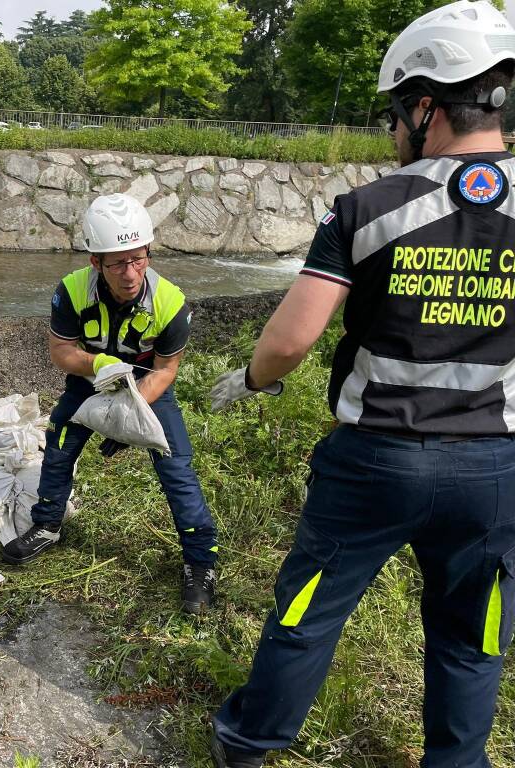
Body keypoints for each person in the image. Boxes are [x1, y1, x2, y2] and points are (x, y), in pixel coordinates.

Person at [207, 2, 515, 765]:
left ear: (426, 105)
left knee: (310, 611)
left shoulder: (368, 210)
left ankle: (250, 745)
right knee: (473, 634)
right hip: (493, 468)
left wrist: (251, 380)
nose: (392, 132)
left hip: (377, 462)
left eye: (394, 114)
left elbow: (290, 342)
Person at [1, 192, 220, 614]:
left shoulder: (171, 303)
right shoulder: (70, 291)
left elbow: (165, 371)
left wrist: (128, 415)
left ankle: (201, 563)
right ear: (95, 262)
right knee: (60, 440)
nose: (131, 273)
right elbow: (62, 352)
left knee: (176, 466)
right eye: (118, 262)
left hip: (146, 387)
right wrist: (99, 362)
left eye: (139, 259)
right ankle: (47, 524)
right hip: (90, 380)